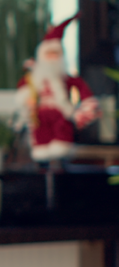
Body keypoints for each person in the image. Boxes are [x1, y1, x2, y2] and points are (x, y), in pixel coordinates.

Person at [16, 14, 100, 161]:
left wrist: (86, 108)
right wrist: (26, 99)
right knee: (41, 139)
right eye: (49, 54)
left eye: (56, 54)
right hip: (39, 115)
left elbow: (82, 88)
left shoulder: (65, 78)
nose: (52, 58)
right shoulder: (33, 78)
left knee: (61, 136)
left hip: (61, 114)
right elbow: (23, 90)